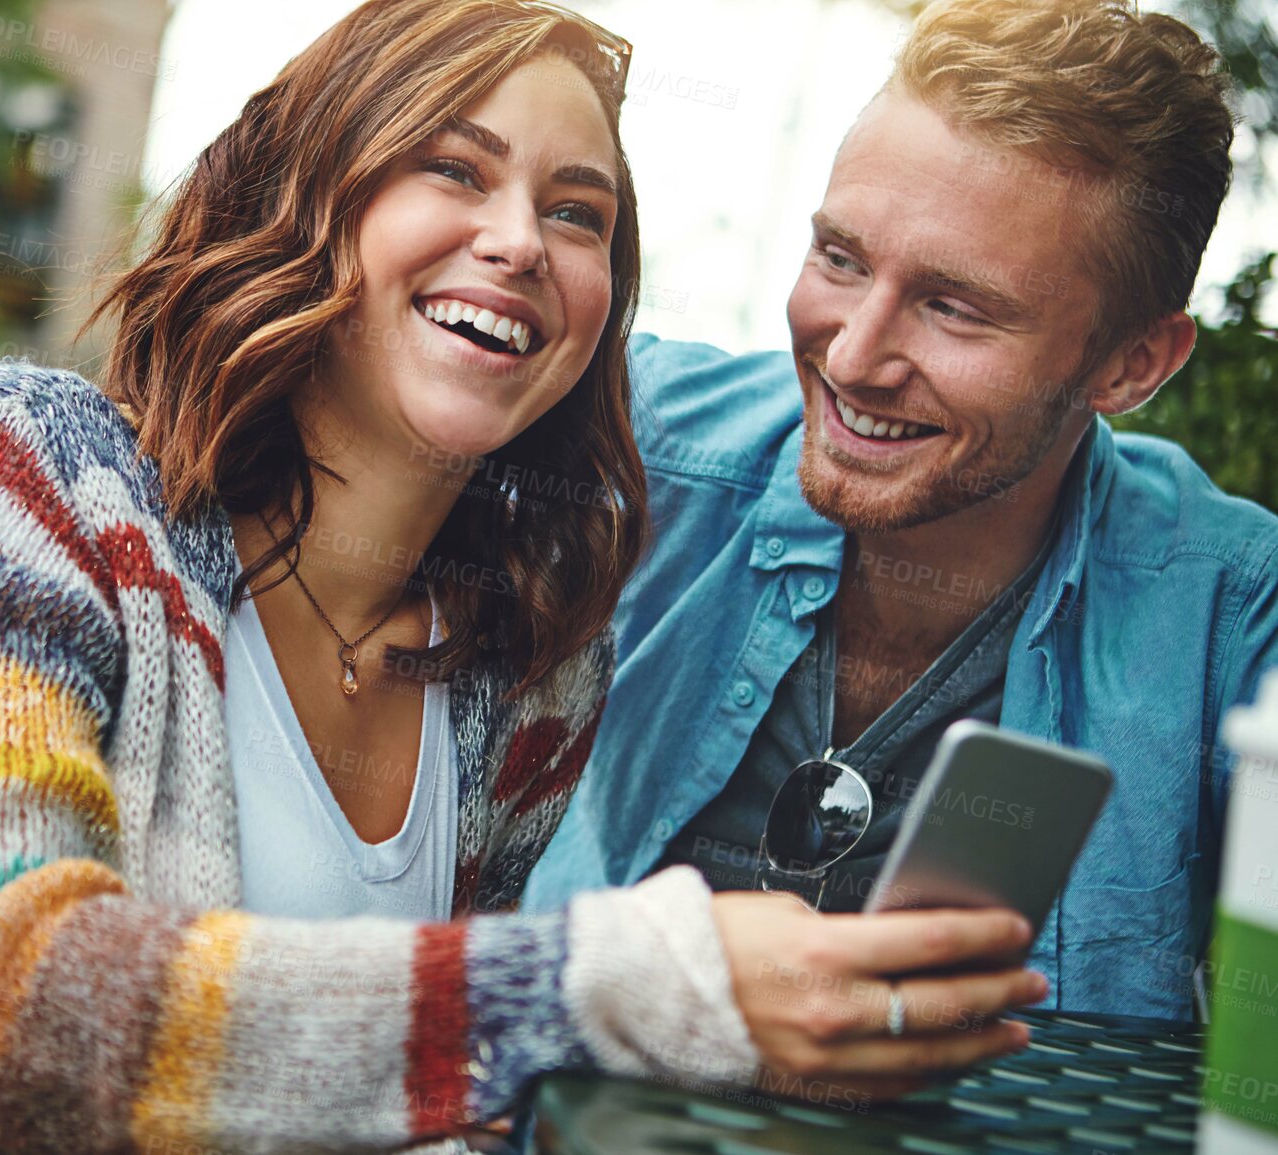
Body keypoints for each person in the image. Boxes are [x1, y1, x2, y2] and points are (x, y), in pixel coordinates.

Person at [0, 3, 1045, 1153]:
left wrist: (743, 1029)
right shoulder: (3, 475)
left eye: (578, 211)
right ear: (309, 203)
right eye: (452, 169)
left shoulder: (526, 658)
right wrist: (616, 977)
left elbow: (400, 1073)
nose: (520, 240)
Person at [526, 0, 1278, 1024]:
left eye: (953, 307)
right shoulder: (625, 438)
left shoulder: (1231, 611)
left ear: (1131, 363)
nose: (848, 358)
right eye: (840, 259)